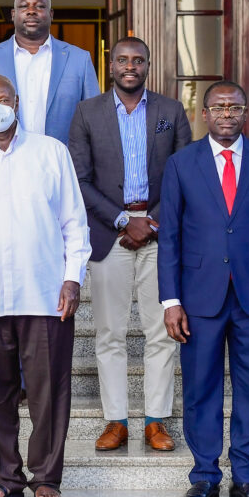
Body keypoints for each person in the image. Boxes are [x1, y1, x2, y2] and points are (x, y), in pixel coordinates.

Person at [0, 73, 91, 497]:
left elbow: (74, 222)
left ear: (18, 103)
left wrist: (73, 277)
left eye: (2, 98)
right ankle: (6, 477)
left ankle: (46, 475)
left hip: (44, 291)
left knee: (49, 389)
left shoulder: (51, 153)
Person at [158, 81, 249, 497]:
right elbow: (171, 239)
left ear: (246, 112)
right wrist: (170, 300)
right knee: (201, 389)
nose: (227, 114)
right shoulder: (181, 164)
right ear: (203, 113)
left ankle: (248, 477)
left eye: (235, 107)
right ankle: (204, 475)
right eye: (218, 107)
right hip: (199, 298)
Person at [67, 36, 190, 452]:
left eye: (138, 59)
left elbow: (183, 173)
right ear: (111, 64)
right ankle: (116, 421)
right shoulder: (87, 112)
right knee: (110, 333)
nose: (130, 66)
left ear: (148, 65)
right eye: (123, 59)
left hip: (159, 234)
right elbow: (78, 179)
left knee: (160, 332)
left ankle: (156, 421)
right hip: (109, 234)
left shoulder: (170, 111)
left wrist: (150, 220)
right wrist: (123, 220)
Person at [0, 0, 100, 144]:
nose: (31, 11)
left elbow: (94, 119)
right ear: (13, 15)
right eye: (24, 6)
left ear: (51, 14)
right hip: (3, 161)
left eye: (40, 6)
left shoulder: (79, 59)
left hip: (61, 162)